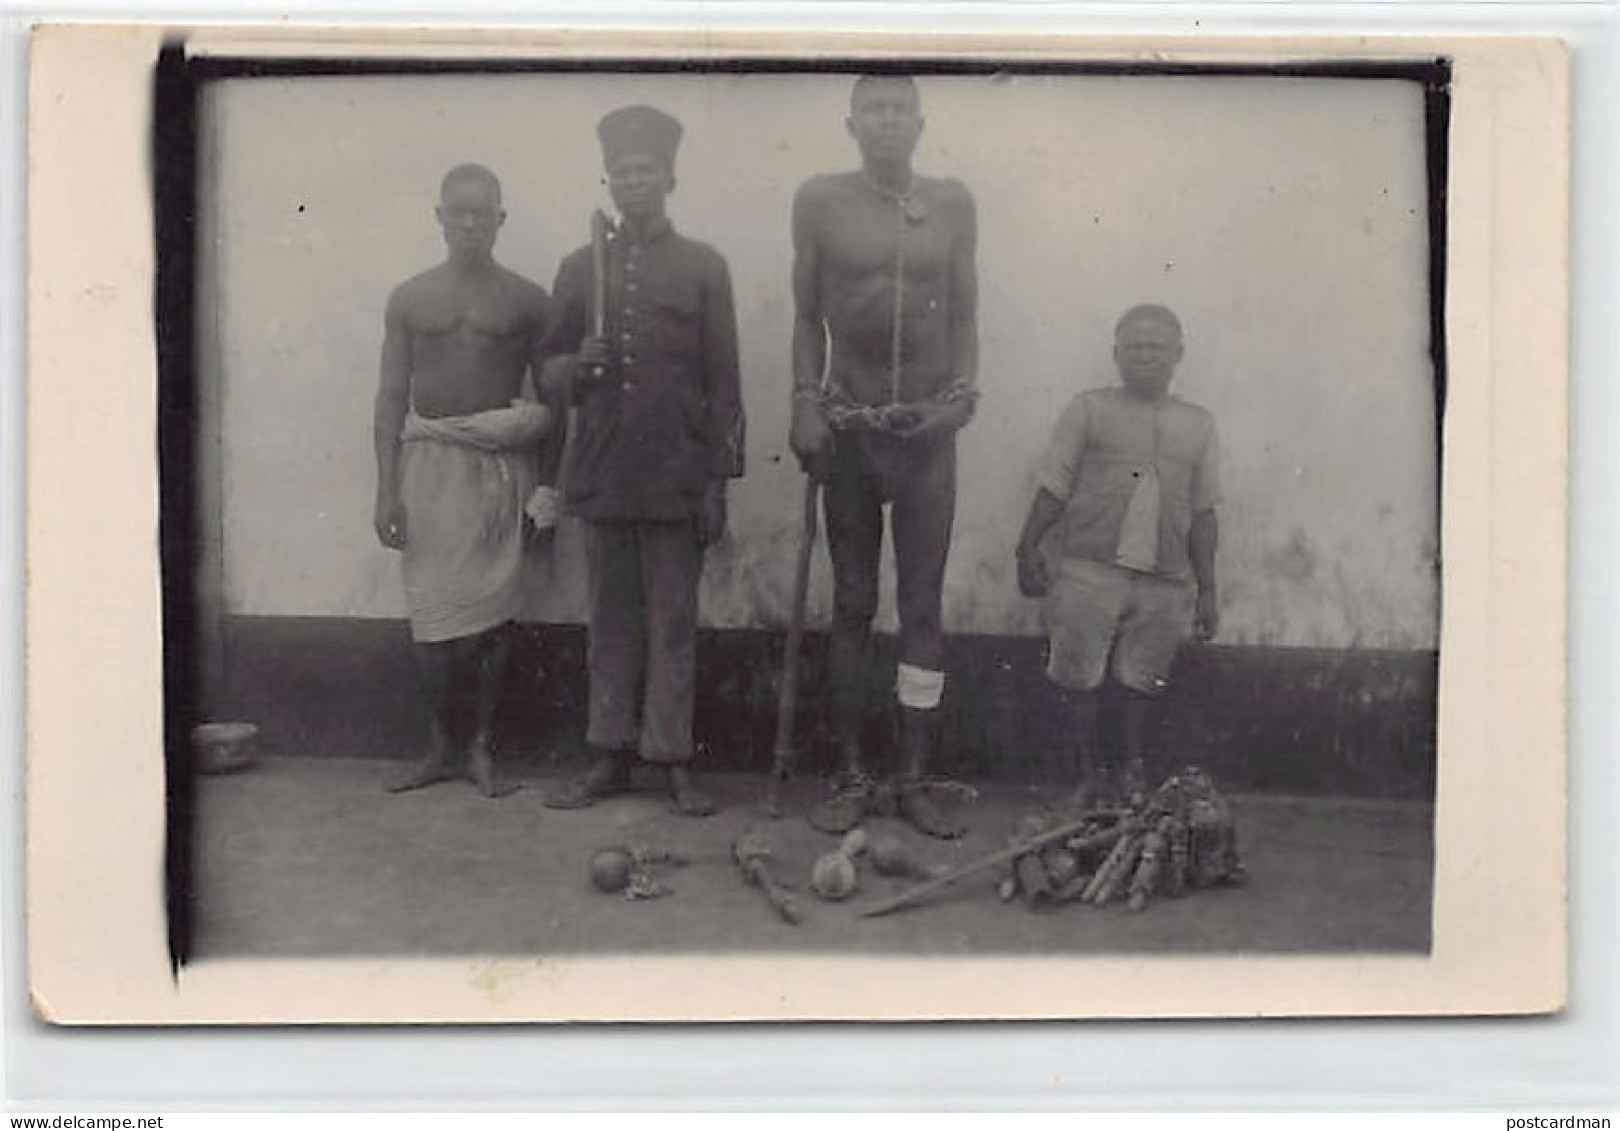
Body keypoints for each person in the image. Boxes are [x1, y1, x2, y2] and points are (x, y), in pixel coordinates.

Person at [538, 105, 745, 818]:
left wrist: (718, 485)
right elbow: (541, 369)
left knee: (673, 624)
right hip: (602, 474)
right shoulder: (578, 268)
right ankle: (608, 754)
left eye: (647, 170)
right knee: (610, 623)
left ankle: (673, 759)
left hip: (677, 479)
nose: (635, 180)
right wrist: (572, 366)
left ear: (669, 177)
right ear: (610, 179)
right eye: (623, 170)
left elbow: (726, 385)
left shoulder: (704, 268)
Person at [788, 74, 980, 839]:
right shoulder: (821, 200)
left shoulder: (955, 201)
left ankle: (911, 774)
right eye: (876, 110)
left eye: (902, 110)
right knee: (853, 605)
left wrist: (960, 397)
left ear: (921, 122)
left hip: (927, 436)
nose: (890, 121)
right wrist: (806, 400)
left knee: (923, 604)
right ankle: (851, 770)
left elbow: (967, 312)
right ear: (853, 122)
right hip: (853, 429)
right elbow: (805, 315)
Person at [373, 163, 555, 798]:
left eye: (483, 213)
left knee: (492, 618)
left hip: (499, 469)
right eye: (459, 212)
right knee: (430, 616)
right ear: (440, 217)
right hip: (428, 468)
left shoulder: (528, 300)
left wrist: (547, 494)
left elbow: (553, 401)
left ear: (501, 219)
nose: (470, 224)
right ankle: (438, 746)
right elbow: (391, 397)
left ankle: (481, 747)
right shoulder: (410, 297)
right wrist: (385, 489)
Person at [1014, 304, 1221, 808]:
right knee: (1079, 674)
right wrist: (1027, 546)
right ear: (1116, 354)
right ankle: (1088, 774)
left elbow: (1204, 513)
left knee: (1141, 681)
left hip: (1164, 577)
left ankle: (1131, 772)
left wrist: (1207, 589)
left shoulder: (1199, 425)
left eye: (1157, 348)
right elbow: (1054, 486)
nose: (1145, 356)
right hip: (1090, 568)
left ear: (1178, 355)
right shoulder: (1088, 410)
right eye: (1134, 347)